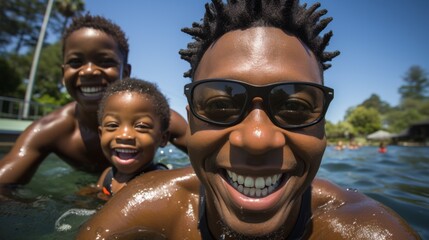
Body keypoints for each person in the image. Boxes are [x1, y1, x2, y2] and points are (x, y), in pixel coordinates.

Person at [77, 1, 420, 239]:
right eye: (220, 107)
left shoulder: (364, 230)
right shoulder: (146, 207)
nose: (257, 139)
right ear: (190, 122)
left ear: (323, 127)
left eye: (296, 108)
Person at [0, 14, 188, 185]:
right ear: (63, 73)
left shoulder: (158, 118)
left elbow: (212, 157)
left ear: (126, 72)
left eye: (106, 61)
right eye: (75, 62)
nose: (89, 71)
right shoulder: (51, 130)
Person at [95, 77, 171, 200]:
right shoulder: (108, 175)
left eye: (141, 126)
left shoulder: (159, 183)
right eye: (112, 125)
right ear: (100, 134)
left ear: (163, 138)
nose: (124, 136)